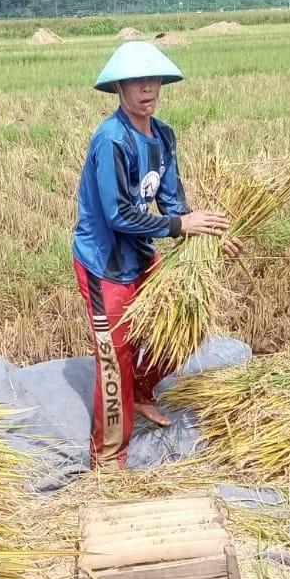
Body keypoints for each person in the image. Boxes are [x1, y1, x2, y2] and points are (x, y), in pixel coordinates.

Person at [72, 41, 232, 470]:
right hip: (105, 263)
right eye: (136, 82)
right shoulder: (111, 141)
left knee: (180, 324)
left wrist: (209, 236)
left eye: (153, 80)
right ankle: (108, 459)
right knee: (115, 354)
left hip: (142, 256)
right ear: (119, 89)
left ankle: (142, 393)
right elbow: (118, 214)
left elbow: (174, 206)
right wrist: (181, 226)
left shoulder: (162, 136)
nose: (147, 89)